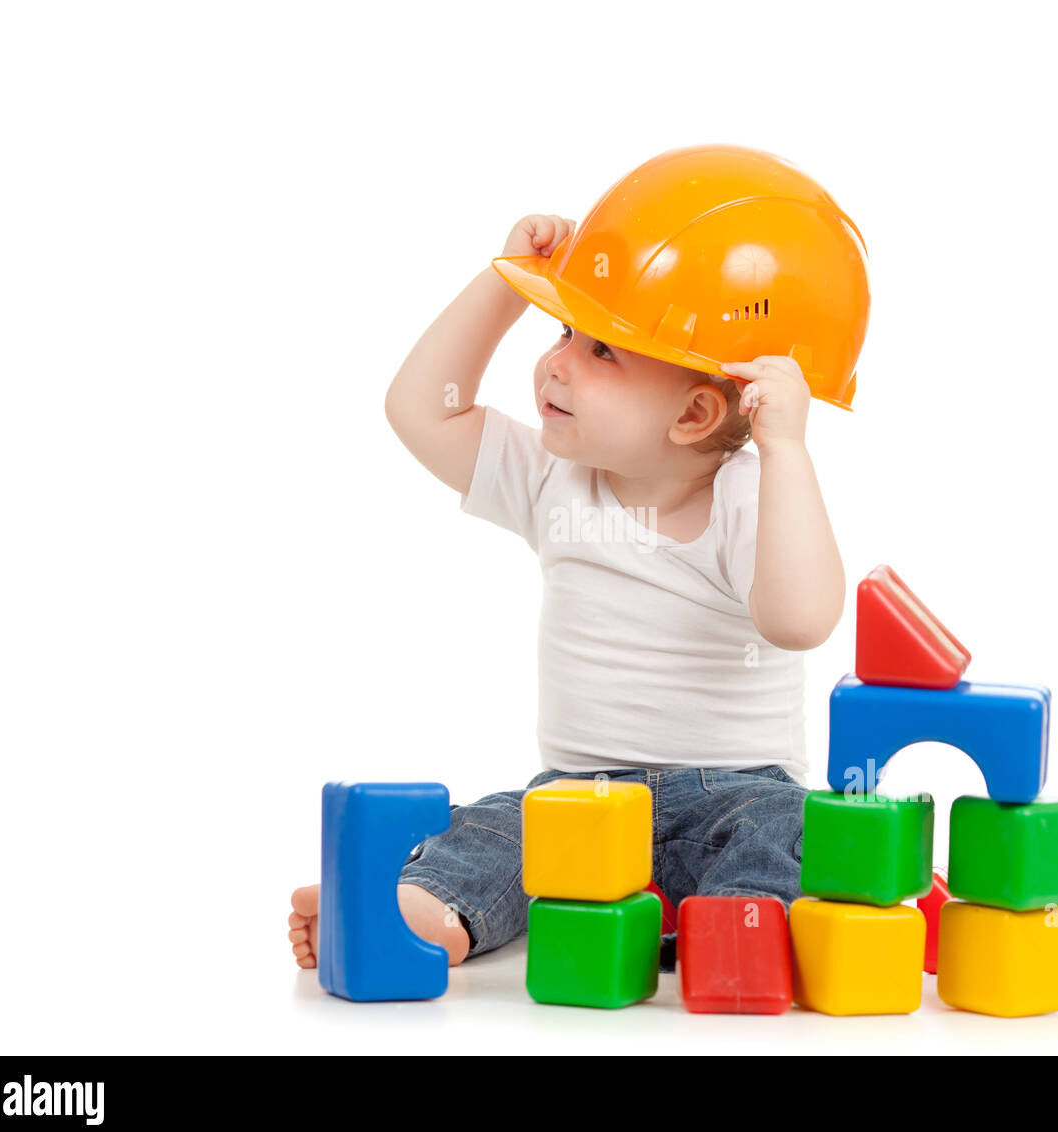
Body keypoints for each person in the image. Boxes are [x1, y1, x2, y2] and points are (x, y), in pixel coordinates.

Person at [289, 148, 868, 971]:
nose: (556, 360)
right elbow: (421, 409)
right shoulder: (554, 480)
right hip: (576, 794)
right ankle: (421, 911)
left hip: (740, 790)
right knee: (493, 827)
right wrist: (505, 280)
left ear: (696, 413)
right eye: (564, 329)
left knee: (794, 827)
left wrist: (790, 454)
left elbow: (802, 616)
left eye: (602, 351)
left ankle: (737, 933)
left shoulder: (752, 497)